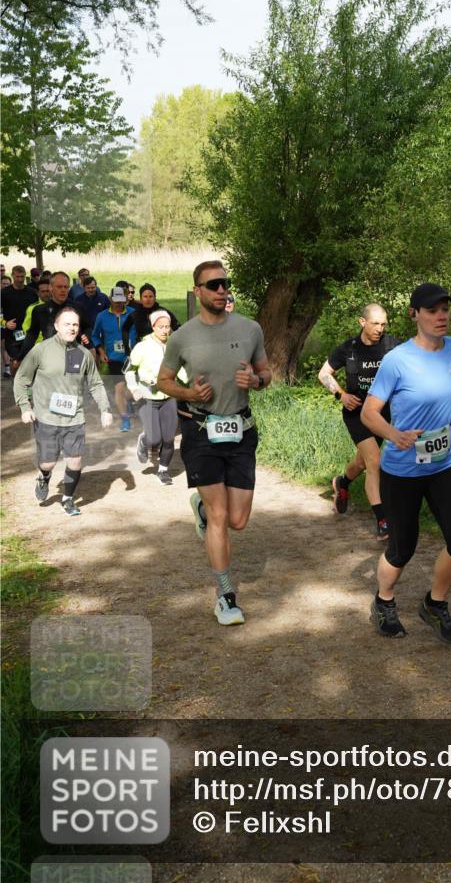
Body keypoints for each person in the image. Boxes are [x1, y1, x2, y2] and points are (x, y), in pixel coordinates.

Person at [360, 283, 451, 643]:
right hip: (403, 470)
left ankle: (435, 602)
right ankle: (384, 601)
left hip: (444, 463)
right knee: (403, 548)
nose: (441, 315)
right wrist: (394, 435)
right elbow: (370, 414)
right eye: (432, 310)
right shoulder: (397, 360)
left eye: (445, 309)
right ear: (415, 315)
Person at [157, 260, 271, 627]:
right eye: (214, 285)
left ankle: (202, 511)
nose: (222, 290)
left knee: (237, 519)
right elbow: (163, 380)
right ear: (198, 291)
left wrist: (257, 380)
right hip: (201, 433)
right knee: (222, 517)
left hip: (241, 430)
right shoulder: (182, 336)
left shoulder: (250, 328)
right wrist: (188, 392)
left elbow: (266, 371)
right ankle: (225, 596)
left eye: (226, 283)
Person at [14, 306, 113, 516]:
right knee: (48, 463)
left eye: (75, 324)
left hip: (74, 417)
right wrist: (25, 407)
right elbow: (22, 379)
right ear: (57, 326)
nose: (72, 328)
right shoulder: (41, 350)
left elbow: (95, 384)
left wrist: (105, 409)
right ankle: (44, 476)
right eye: (67, 324)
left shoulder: (84, 354)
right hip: (46, 417)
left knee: (75, 461)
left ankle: (67, 498)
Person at [318, 304, 400, 539]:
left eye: (384, 324)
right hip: (356, 414)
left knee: (362, 463)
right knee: (374, 461)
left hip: (382, 415)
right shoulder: (348, 348)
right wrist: (341, 395)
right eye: (375, 324)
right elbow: (324, 374)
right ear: (362, 322)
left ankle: (342, 483)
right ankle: (383, 520)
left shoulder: (392, 345)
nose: (380, 329)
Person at [124, 309, 186, 485]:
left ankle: (163, 470)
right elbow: (130, 371)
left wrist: (192, 384)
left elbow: (181, 370)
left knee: (168, 438)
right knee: (154, 439)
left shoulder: (174, 346)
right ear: (153, 326)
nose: (165, 330)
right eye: (161, 327)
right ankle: (144, 441)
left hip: (169, 397)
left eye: (168, 327)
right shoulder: (142, 347)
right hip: (147, 398)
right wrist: (134, 388)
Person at [18, 272, 91, 361]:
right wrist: (20, 358)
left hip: (73, 356)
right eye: (59, 287)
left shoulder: (78, 308)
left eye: (66, 287)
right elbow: (32, 335)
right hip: (50, 357)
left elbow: (87, 327)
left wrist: (86, 336)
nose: (63, 290)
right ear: (51, 288)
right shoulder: (40, 310)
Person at [91, 287, 134, 431]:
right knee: (119, 388)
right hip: (114, 358)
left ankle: (127, 401)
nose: (118, 304)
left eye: (121, 301)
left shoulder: (133, 314)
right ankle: (125, 419)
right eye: (115, 301)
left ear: (125, 300)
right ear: (110, 299)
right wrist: (101, 351)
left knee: (135, 390)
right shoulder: (102, 316)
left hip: (134, 357)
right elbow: (95, 336)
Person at [122, 283, 179, 354]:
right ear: (140, 299)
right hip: (143, 350)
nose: (148, 299)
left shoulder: (163, 312)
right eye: (145, 297)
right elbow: (125, 329)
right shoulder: (135, 314)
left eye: (151, 296)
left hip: (162, 350)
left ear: (155, 298)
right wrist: (127, 348)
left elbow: (177, 327)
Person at [1, 265, 38, 368]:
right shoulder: (4, 293)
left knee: (29, 361)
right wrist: (5, 323)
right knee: (16, 361)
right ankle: (16, 382)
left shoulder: (32, 293)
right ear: (12, 276)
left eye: (22, 277)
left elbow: (37, 311)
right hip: (12, 334)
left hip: (29, 333)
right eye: (17, 277)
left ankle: (25, 383)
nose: (20, 279)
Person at [22, 277, 52, 344]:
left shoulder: (58, 305)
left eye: (47, 291)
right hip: (39, 345)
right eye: (43, 291)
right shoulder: (32, 308)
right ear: (38, 293)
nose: (46, 294)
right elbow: (26, 327)